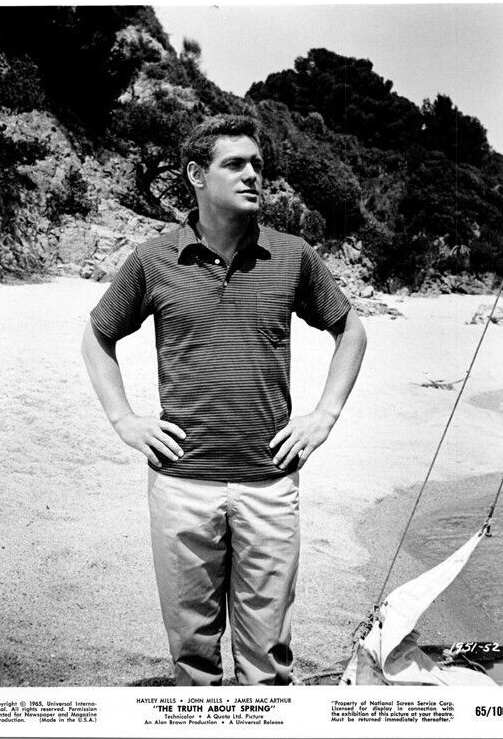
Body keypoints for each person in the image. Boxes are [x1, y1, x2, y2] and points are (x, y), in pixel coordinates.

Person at [81, 114, 367, 686]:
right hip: (182, 482)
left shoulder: (292, 255)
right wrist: (124, 419)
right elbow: (97, 335)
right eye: (234, 164)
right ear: (196, 174)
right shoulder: (155, 259)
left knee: (269, 660)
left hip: (269, 482)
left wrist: (324, 416)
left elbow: (351, 331)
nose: (252, 175)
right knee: (193, 656)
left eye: (257, 164)